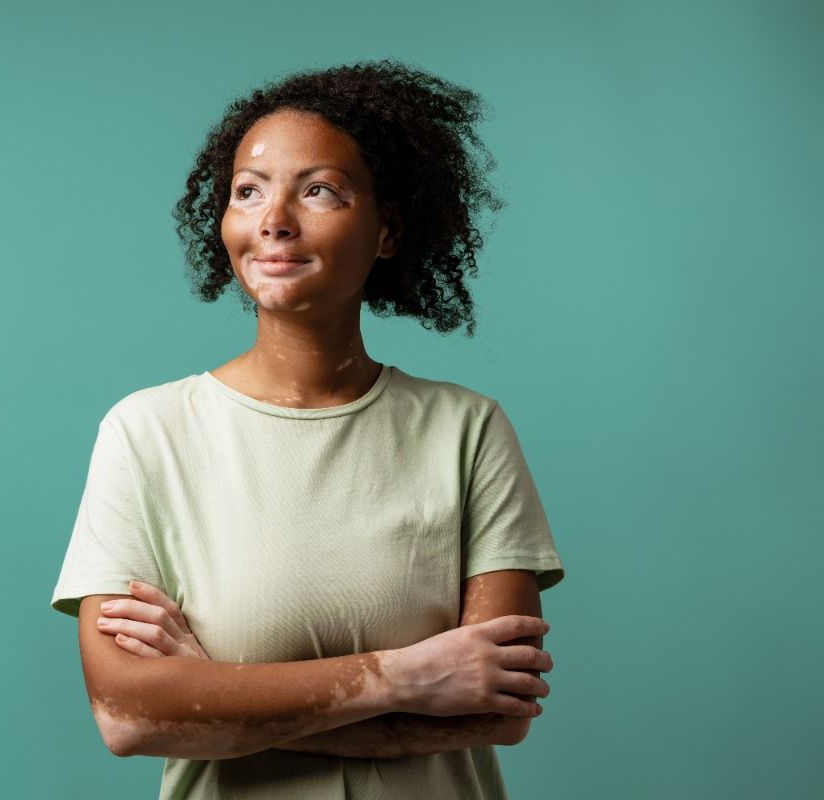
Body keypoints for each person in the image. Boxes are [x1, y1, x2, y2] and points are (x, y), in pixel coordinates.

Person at [50, 59, 565, 799]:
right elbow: (129, 715)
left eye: (318, 190)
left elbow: (499, 709)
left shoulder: (467, 430)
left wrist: (210, 692)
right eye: (248, 192)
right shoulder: (146, 432)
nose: (274, 220)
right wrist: (405, 676)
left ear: (387, 230)